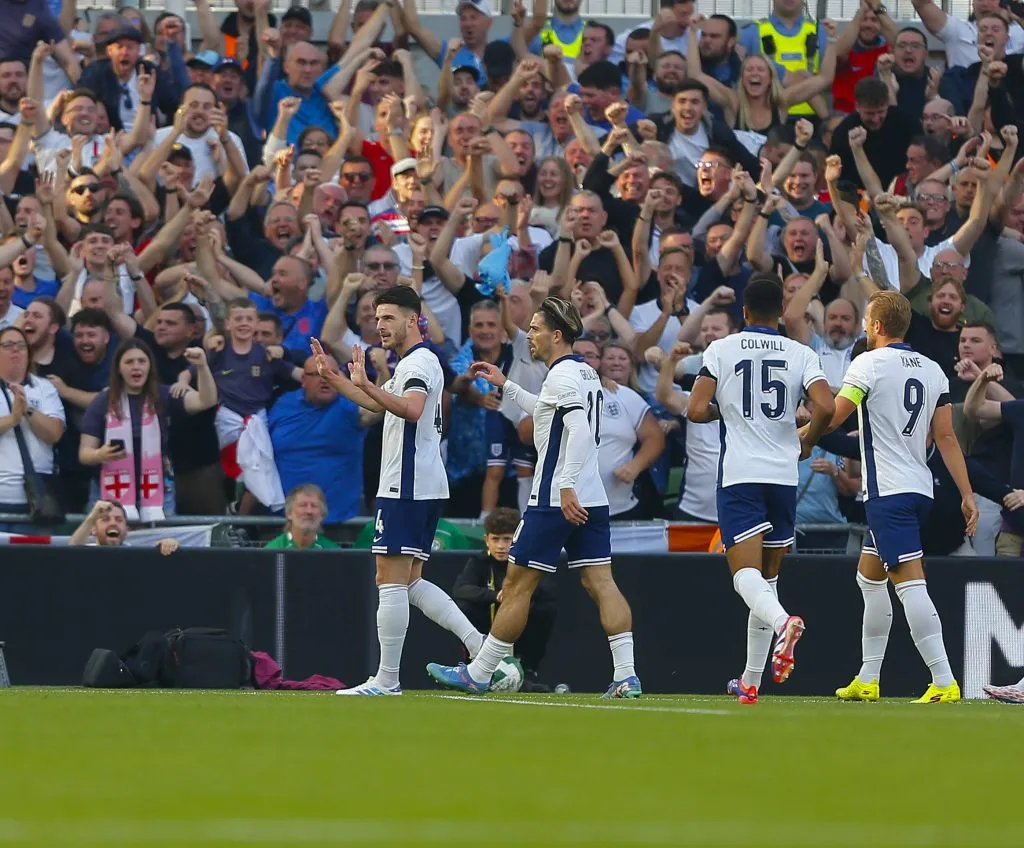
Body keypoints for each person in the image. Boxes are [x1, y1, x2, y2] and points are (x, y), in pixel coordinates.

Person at [426, 296, 642, 699]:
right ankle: (626, 675)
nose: (529, 335)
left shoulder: (562, 376)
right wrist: (506, 385)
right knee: (601, 582)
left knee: (517, 584)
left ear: (556, 335)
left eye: (536, 328)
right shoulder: (584, 372)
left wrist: (565, 484)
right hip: (592, 498)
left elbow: (578, 430)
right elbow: (547, 412)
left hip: (556, 497)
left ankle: (480, 672)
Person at [313, 285, 484, 696]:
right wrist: (335, 378)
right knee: (409, 582)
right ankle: (482, 647)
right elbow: (377, 404)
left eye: (388, 317)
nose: (379, 326)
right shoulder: (414, 362)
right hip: (421, 483)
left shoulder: (418, 363)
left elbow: (411, 409)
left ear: (412, 319)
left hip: (405, 484)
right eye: (377, 318)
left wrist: (367, 384)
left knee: (389, 581)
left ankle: (387, 679)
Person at [809, 290, 979, 704]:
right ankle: (868, 677)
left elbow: (835, 416)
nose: (864, 327)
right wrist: (966, 494)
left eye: (867, 320)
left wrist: (803, 434)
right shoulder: (932, 369)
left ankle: (944, 679)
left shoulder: (867, 364)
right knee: (869, 578)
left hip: (888, 492)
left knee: (910, 586)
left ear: (877, 325)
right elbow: (946, 437)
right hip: (919, 489)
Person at [687, 275, 835, 705]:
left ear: (745, 312)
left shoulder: (722, 349)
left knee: (744, 576)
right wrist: (808, 440)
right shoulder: (801, 352)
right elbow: (826, 405)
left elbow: (695, 409)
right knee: (767, 579)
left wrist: (726, 410)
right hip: (783, 476)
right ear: (782, 313)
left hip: (741, 474)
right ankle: (750, 682)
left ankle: (784, 622)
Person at [451, 507, 555, 691]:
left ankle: (528, 671)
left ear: (517, 539)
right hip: (486, 622)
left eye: (507, 539)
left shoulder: (527, 561)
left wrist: (517, 597)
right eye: (495, 539)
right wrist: (496, 596)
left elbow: (546, 588)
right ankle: (471, 665)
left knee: (544, 609)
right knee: (465, 606)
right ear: (486, 540)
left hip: (521, 626)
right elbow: (460, 589)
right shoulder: (479, 562)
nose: (501, 546)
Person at [0, 326, 65, 529]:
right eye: (8, 345)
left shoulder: (44, 388)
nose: (16, 350)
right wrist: (13, 419)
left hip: (38, 502)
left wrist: (27, 409)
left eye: (21, 345)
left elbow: (54, 433)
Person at [68, 498, 180, 555]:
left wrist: (168, 545)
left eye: (119, 520)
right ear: (93, 529)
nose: (113, 523)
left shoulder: (136, 554)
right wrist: (92, 517)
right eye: (105, 519)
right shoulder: (86, 552)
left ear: (126, 530)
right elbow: (71, 553)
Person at [265, 484, 341, 550]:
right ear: (289, 513)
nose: (309, 511)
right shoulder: (272, 550)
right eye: (303, 505)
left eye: (314, 506)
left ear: (322, 515)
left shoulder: (333, 552)